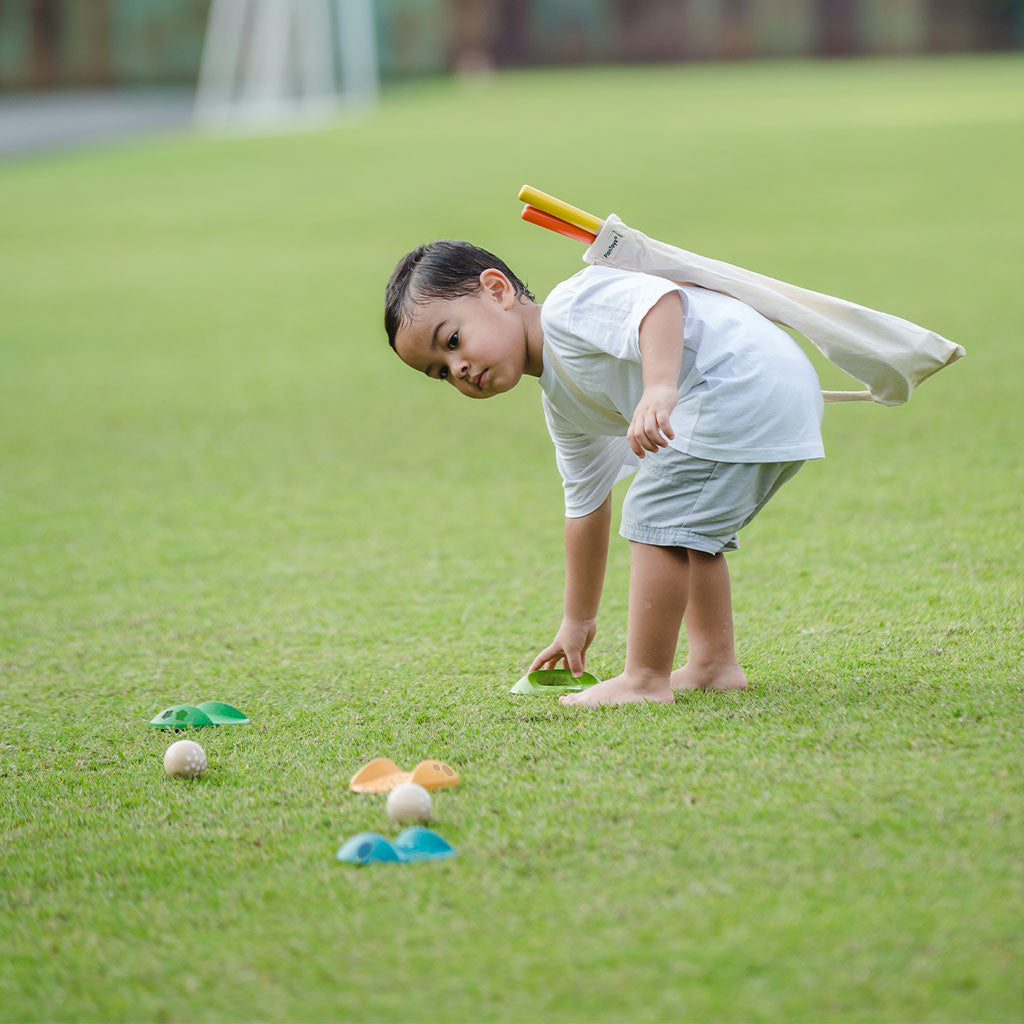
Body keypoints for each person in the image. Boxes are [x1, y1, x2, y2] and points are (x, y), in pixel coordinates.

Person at [384, 240, 825, 707]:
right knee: (687, 527)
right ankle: (713, 665)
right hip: (771, 391)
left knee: (656, 514)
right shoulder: (563, 405)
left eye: (452, 342)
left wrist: (659, 387)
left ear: (496, 291)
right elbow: (585, 508)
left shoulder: (570, 308)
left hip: (740, 383)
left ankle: (644, 680)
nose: (458, 368)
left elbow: (659, 303)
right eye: (441, 372)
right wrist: (577, 622)